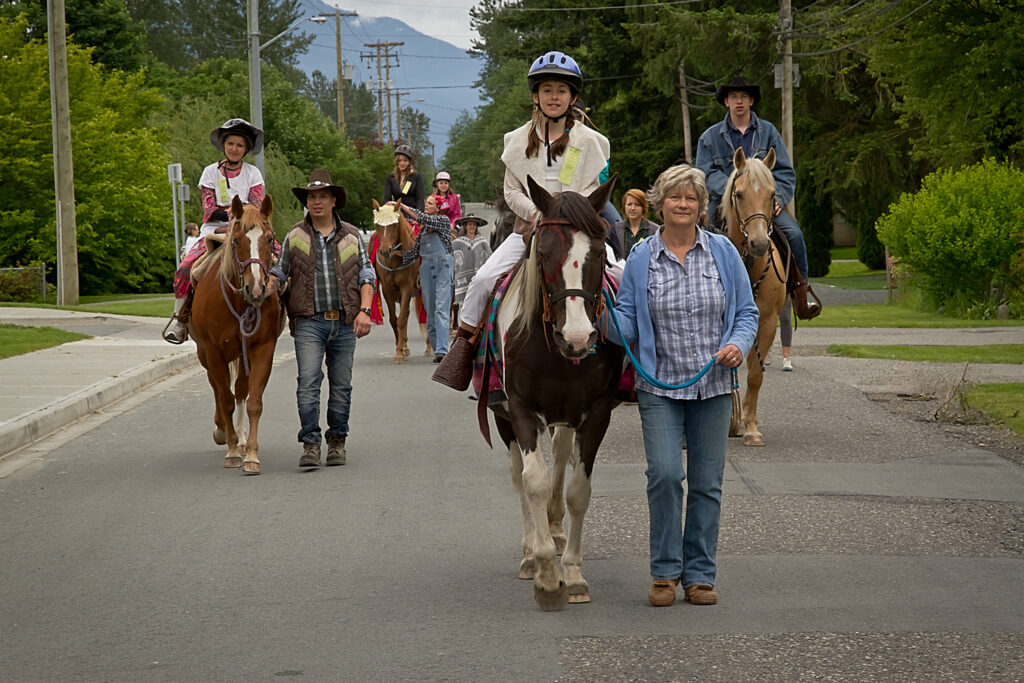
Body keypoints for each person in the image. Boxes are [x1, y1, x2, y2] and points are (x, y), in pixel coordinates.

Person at [612, 164, 758, 608]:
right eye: (675, 197)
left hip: (713, 385)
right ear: (660, 203)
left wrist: (736, 344)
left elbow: (747, 313)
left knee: (707, 483)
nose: (683, 204)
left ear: (701, 206)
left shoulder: (723, 253)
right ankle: (664, 572)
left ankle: (699, 574)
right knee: (664, 474)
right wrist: (599, 313)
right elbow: (626, 321)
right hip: (659, 386)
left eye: (691, 198)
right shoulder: (640, 258)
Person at [433, 50, 617, 390]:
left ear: (573, 97)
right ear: (536, 95)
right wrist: (541, 216)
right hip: (531, 230)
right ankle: (465, 357)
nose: (554, 97)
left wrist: (569, 214)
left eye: (561, 91)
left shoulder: (591, 142)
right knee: (483, 281)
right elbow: (512, 191)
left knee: (623, 275)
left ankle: (629, 368)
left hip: (577, 232)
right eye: (547, 89)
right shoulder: (517, 141)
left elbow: (594, 186)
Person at [265, 169, 375, 468]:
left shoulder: (351, 236)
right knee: (308, 383)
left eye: (322, 196)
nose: (316, 202)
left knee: (341, 386)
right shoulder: (295, 235)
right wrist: (268, 287)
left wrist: (365, 311)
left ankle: (337, 440)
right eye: (312, 197)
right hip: (308, 322)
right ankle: (310, 444)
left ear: (333, 201)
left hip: (344, 321)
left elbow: (366, 274)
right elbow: (280, 270)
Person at [695, 75, 820, 319]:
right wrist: (730, 193)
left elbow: (784, 171)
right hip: (725, 205)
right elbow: (705, 173)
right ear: (726, 103)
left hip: (764, 206)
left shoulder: (769, 132)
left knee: (794, 234)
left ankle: (801, 293)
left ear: (751, 101)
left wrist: (779, 198)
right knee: (703, 236)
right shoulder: (709, 137)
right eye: (733, 97)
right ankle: (698, 291)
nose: (738, 101)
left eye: (743, 97)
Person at [164, 118, 266, 343]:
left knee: (277, 261)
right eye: (231, 143)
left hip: (247, 229)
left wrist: (240, 217)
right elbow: (208, 208)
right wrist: (231, 213)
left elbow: (257, 205)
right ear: (224, 145)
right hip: (214, 230)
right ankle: (180, 321)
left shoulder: (253, 173)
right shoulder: (210, 172)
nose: (234, 149)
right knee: (185, 269)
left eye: (240, 145)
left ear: (246, 148)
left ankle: (286, 315)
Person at [392, 195, 454, 363]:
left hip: (443, 266)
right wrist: (397, 256)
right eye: (425, 202)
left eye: (430, 203)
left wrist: (402, 206)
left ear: (438, 207)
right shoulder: (424, 230)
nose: (426, 204)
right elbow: (414, 253)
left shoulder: (442, 221)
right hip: (426, 267)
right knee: (430, 309)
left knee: (441, 308)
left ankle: (442, 350)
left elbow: (422, 217)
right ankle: (436, 350)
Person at [451, 213, 492, 328]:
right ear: (465, 226)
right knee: (463, 302)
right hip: (463, 277)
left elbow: (490, 256)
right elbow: (451, 256)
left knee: (478, 302)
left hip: (478, 276)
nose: (471, 227)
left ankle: (478, 324)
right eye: (469, 224)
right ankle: (460, 323)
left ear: (476, 227)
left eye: (474, 224)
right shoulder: (458, 242)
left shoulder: (482, 241)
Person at [611, 188, 660, 258]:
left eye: (637, 205)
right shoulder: (614, 230)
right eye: (629, 204)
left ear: (643, 207)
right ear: (624, 207)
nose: (633, 208)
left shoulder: (655, 231)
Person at [383, 144, 424, 211]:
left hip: (412, 212)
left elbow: (420, 198)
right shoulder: (390, 178)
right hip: (397, 212)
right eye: (400, 160)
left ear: (409, 162)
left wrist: (418, 216)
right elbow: (387, 198)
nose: (402, 163)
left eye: (405, 161)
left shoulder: (416, 176)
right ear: (396, 161)